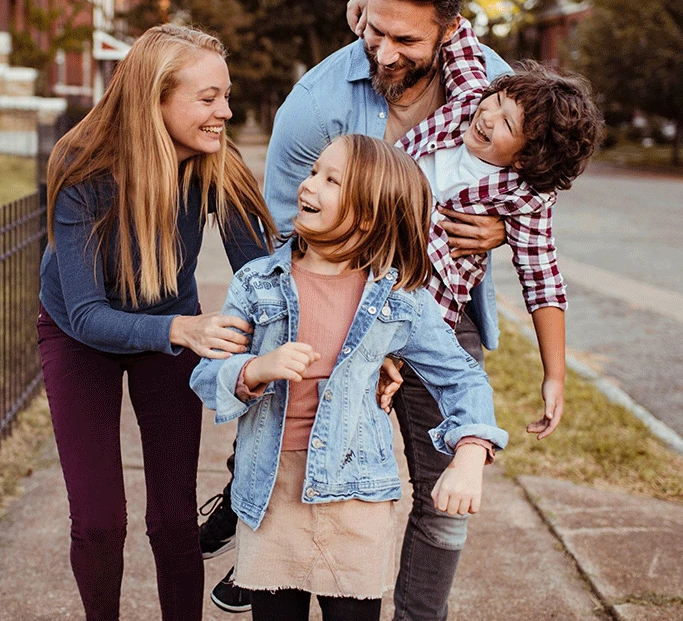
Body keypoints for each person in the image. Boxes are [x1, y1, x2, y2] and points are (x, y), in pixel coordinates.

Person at [203, 0, 513, 619]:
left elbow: (539, 166)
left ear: (452, 30)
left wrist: (505, 226)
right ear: (359, 9)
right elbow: (283, 234)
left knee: (440, 499)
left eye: (407, 40)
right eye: (375, 30)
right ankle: (258, 544)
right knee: (298, 435)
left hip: (438, 306)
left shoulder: (491, 85)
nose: (385, 52)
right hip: (336, 299)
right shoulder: (313, 104)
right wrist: (340, 332)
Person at [190, 135, 509, 621]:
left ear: (366, 214)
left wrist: (469, 453)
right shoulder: (256, 282)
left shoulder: (398, 297)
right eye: (314, 171)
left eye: (330, 179)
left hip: (357, 492)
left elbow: (462, 378)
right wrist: (254, 369)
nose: (309, 184)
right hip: (271, 491)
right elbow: (205, 373)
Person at [37, 24, 276, 621]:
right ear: (156, 98)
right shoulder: (84, 163)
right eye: (208, 97)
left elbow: (265, 282)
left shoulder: (213, 160)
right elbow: (90, 315)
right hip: (77, 334)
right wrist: (185, 330)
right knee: (98, 521)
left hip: (168, 329)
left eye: (226, 94)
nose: (224, 111)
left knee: (172, 517)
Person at [396, 60, 605, 439]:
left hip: (431, 314)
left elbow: (542, 281)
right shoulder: (468, 102)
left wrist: (555, 375)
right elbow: (455, 33)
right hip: (366, 281)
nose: (489, 116)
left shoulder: (525, 199)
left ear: (525, 157)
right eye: (498, 101)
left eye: (507, 124)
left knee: (447, 443)